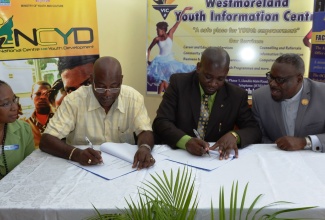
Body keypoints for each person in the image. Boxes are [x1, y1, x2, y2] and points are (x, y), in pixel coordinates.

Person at [39, 56, 155, 169]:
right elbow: (46, 140)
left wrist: (144, 148)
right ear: (91, 80)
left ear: (121, 80)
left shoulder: (133, 98)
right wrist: (77, 154)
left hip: (123, 168)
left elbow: (145, 131)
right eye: (101, 87)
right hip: (82, 168)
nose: (107, 94)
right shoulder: (74, 101)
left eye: (114, 87)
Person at [152, 47, 262, 159]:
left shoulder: (236, 95)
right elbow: (161, 122)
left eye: (220, 79)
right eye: (208, 77)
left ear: (226, 73)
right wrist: (186, 141)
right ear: (199, 67)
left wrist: (235, 136)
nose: (213, 84)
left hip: (213, 158)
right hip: (179, 155)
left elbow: (254, 130)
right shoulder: (179, 84)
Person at [252, 53, 325, 152]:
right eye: (271, 77)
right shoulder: (260, 97)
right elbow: (259, 135)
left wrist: (305, 142)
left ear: (298, 79)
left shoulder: (322, 94)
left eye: (279, 80)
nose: (272, 83)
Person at [147, 6, 196, 94]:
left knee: (166, 83)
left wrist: (184, 10)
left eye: (157, 30)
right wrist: (148, 60)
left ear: (163, 30)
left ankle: (165, 97)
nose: (156, 31)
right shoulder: (157, 39)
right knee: (163, 82)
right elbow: (149, 49)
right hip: (160, 62)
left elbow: (178, 22)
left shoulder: (170, 34)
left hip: (170, 62)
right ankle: (160, 97)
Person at [0, 80, 35, 179]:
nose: (15, 107)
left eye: (14, 99)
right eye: (6, 104)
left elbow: (30, 167)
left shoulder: (24, 129)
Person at [23, 81, 54, 147]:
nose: (42, 97)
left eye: (46, 94)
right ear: (31, 96)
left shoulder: (61, 117)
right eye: (38, 94)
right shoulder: (23, 122)